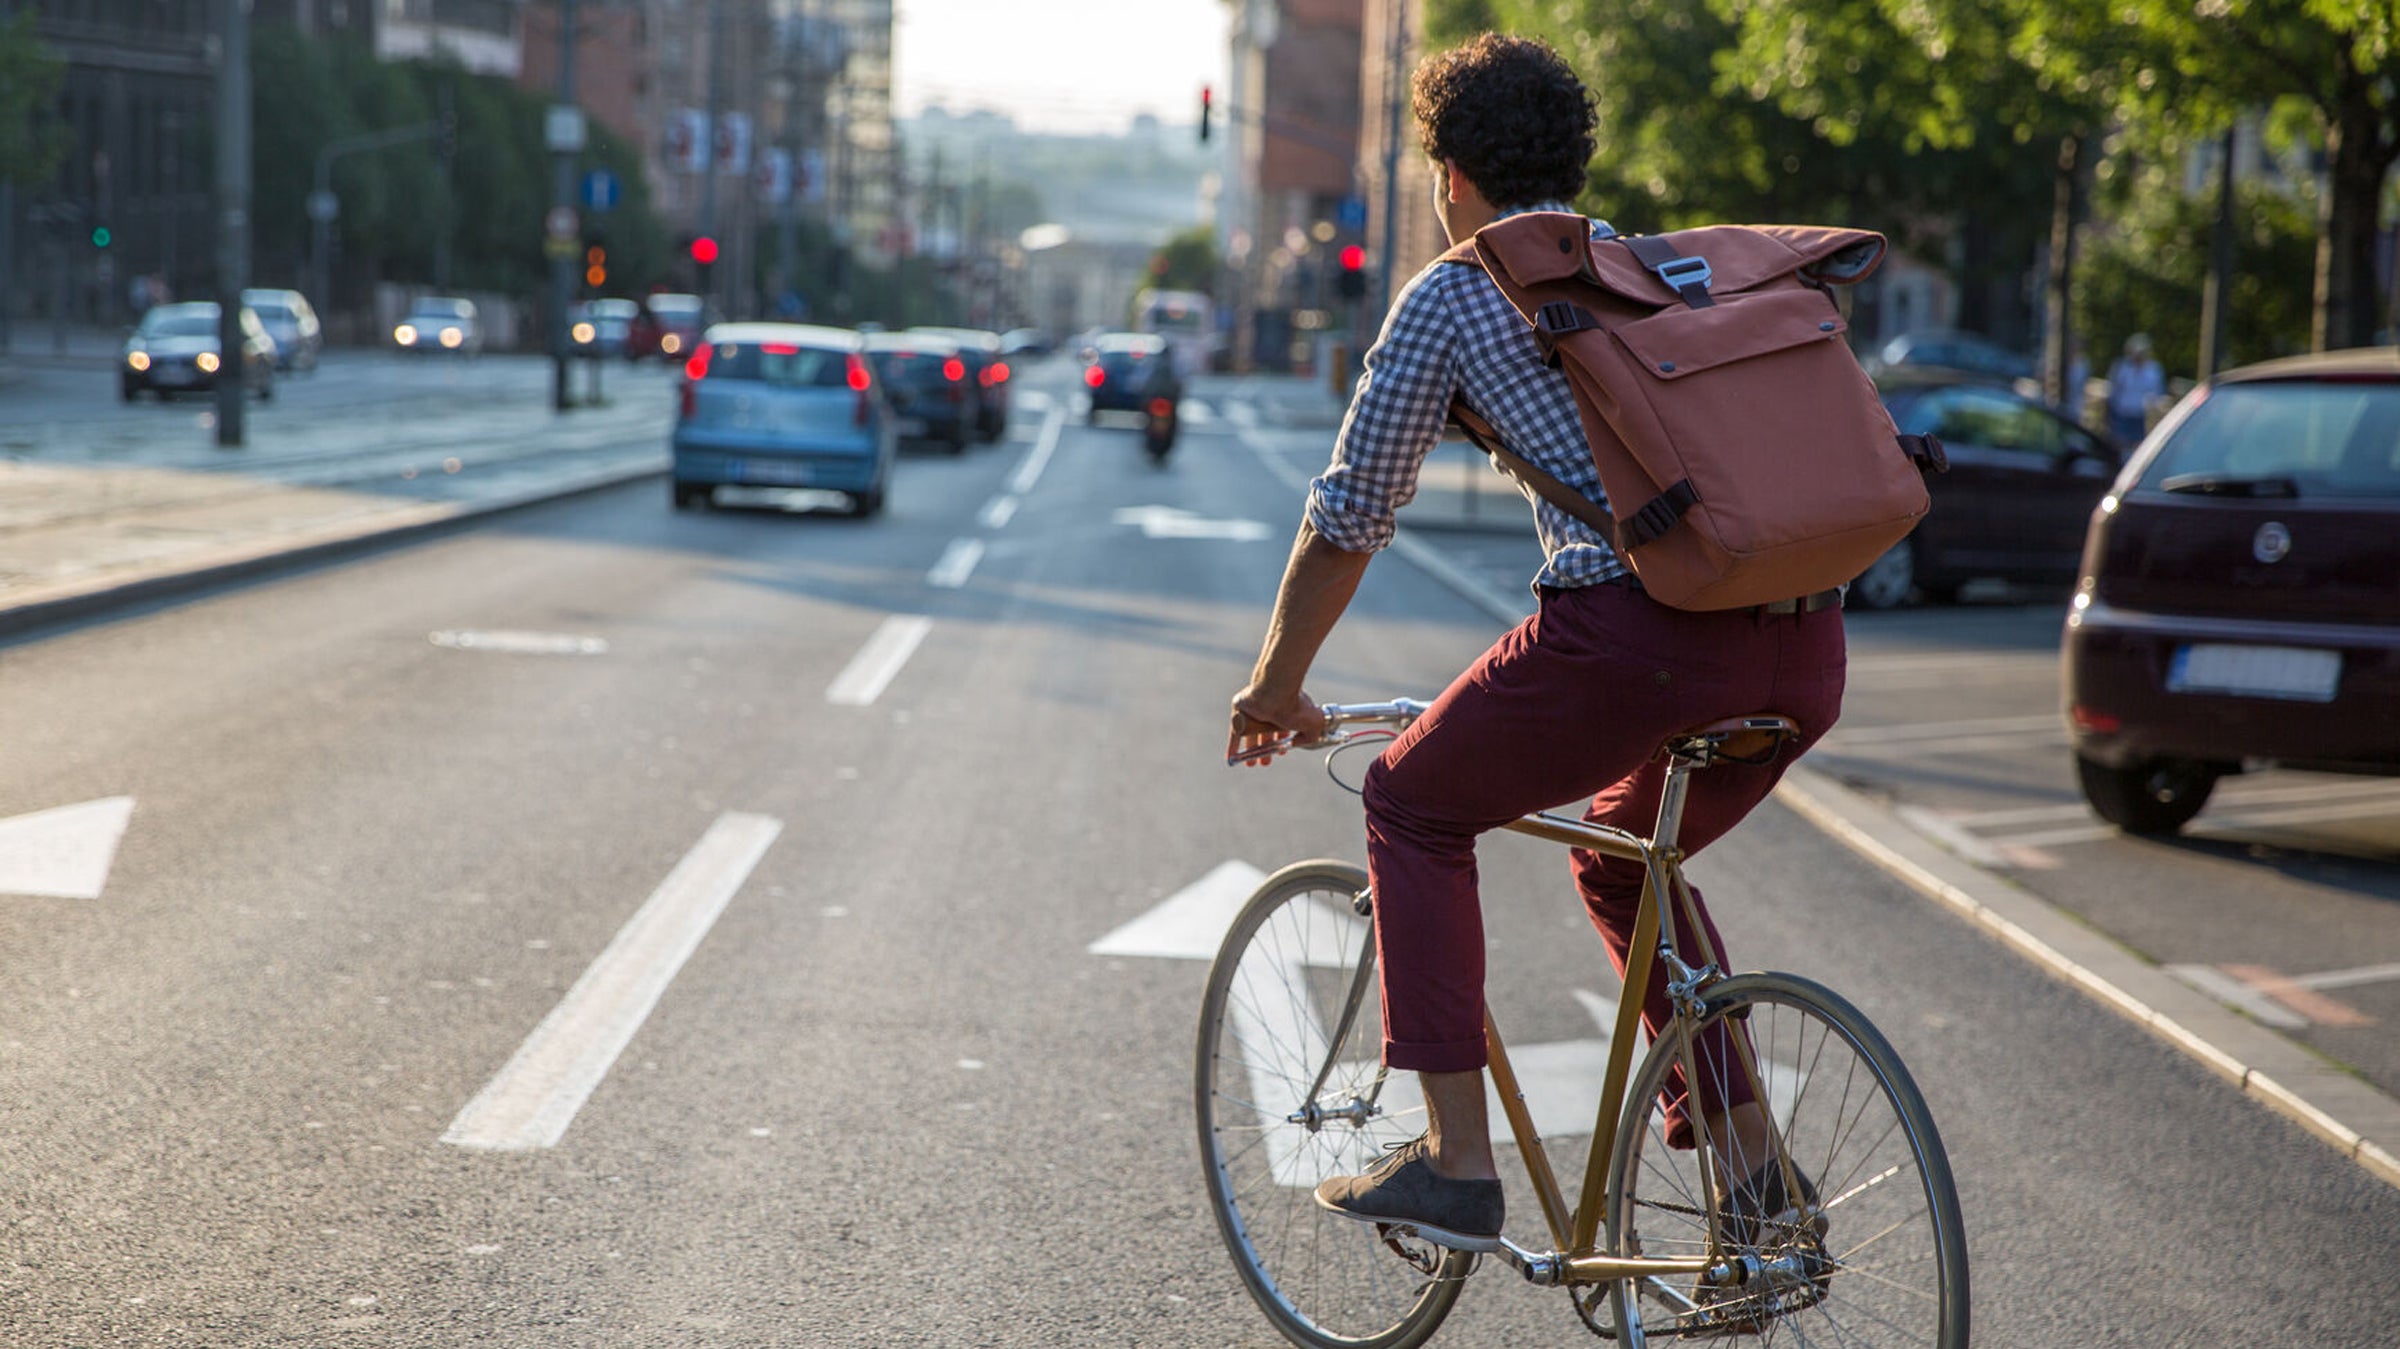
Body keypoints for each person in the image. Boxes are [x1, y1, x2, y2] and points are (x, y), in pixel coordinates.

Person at [1225, 32, 1848, 1253]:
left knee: (1409, 801)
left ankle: (1459, 1162)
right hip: (1804, 645)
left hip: (1636, 643)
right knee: (1625, 858)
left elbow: (1351, 512)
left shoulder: (1459, 290)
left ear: (1448, 175)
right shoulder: (1652, 271)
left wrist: (1277, 685)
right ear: (1576, 158)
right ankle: (1759, 1182)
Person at [2105, 332, 2164, 444]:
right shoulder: (2121, 367)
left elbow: (2157, 392)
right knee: (2121, 444)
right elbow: (2113, 390)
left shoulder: (2153, 369)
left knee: (2138, 445)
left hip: (2140, 415)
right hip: (2122, 413)